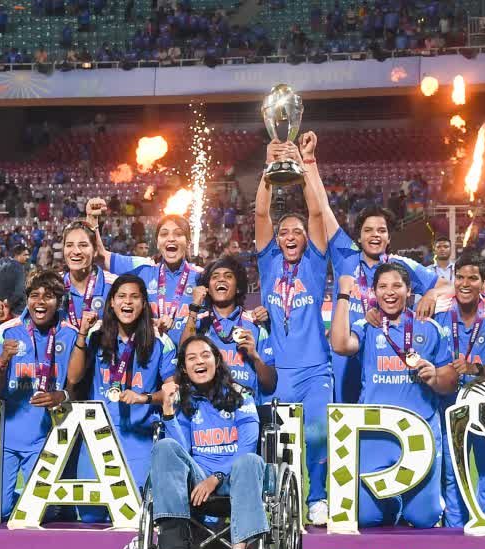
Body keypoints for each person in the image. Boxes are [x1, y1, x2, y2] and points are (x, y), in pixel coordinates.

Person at [330, 263, 456, 528]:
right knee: (367, 517)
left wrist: (435, 377)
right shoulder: (367, 325)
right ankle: (393, 504)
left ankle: (409, 504)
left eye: (397, 286)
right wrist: (343, 295)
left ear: (409, 291)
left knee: (425, 518)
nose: (389, 292)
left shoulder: (430, 328)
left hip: (419, 435)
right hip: (376, 435)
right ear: (374, 292)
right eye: (382, 286)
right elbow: (340, 345)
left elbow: (450, 381)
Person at [254, 133, 334, 526]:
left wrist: (301, 170)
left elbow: (316, 215)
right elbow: (260, 216)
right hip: (277, 373)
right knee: (274, 443)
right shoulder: (269, 265)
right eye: (284, 232)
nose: (289, 236)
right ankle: (274, 500)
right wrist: (268, 171)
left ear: (306, 240)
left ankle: (317, 497)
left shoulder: (314, 265)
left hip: (315, 369)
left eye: (296, 232)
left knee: (317, 433)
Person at [149, 336, 267, 549]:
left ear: (217, 361)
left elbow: (247, 446)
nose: (199, 362)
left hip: (236, 478)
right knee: (165, 446)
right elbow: (180, 451)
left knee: (250, 461)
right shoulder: (184, 401)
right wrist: (168, 412)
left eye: (205, 355)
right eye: (191, 358)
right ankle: (175, 542)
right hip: (198, 479)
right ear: (184, 368)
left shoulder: (241, 396)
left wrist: (217, 477)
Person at [67, 274, 177, 520]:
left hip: (138, 439)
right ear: (112, 303)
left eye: (134, 297)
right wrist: (82, 334)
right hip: (96, 437)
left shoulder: (161, 341)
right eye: (122, 296)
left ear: (144, 304)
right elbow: (73, 378)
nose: (127, 302)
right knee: (90, 517)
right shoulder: (95, 337)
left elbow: (172, 392)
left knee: (133, 516)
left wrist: (144, 398)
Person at [329, 205, 447, 404]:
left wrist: (432, 293)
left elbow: (448, 286)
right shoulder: (346, 261)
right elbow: (322, 211)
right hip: (348, 354)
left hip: (385, 358)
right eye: (368, 230)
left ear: (389, 238)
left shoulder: (399, 265)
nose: (375, 235)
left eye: (381, 230)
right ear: (359, 238)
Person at [432, 253, 485, 527]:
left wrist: (474, 368)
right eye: (460, 277)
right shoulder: (438, 308)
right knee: (452, 470)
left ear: (484, 283)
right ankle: (454, 529)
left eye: (473, 278)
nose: (465, 284)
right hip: (447, 401)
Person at [0, 271, 78, 520]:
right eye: (34, 295)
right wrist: (2, 360)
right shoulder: (7, 331)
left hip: (45, 437)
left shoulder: (70, 334)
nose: (40, 302)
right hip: (7, 436)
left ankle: (36, 499)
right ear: (27, 298)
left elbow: (79, 384)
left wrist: (62, 396)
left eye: (48, 296)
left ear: (59, 301)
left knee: (42, 513)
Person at [182, 256, 276, 400]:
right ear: (207, 289)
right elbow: (182, 356)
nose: (221, 279)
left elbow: (270, 384)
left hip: (245, 409)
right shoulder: (197, 322)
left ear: (238, 288)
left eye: (228, 276)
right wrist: (194, 308)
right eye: (215, 276)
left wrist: (255, 357)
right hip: (206, 407)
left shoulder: (255, 325)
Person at [97, 215, 201, 337]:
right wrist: (92, 220)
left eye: (178, 234)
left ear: (188, 243)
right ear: (157, 243)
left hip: (189, 348)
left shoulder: (201, 278)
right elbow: (100, 257)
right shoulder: (143, 272)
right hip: (149, 348)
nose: (171, 239)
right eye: (164, 234)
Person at [60, 222, 116, 327]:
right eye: (69, 245)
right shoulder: (54, 286)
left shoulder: (114, 285)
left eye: (83, 245)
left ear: (95, 251)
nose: (76, 251)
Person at [0, 244, 30, 321]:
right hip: (17, 312)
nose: (28, 257)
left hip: (2, 313)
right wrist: (9, 303)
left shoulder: (0, 268)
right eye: (25, 255)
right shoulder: (19, 268)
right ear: (17, 255)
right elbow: (20, 290)